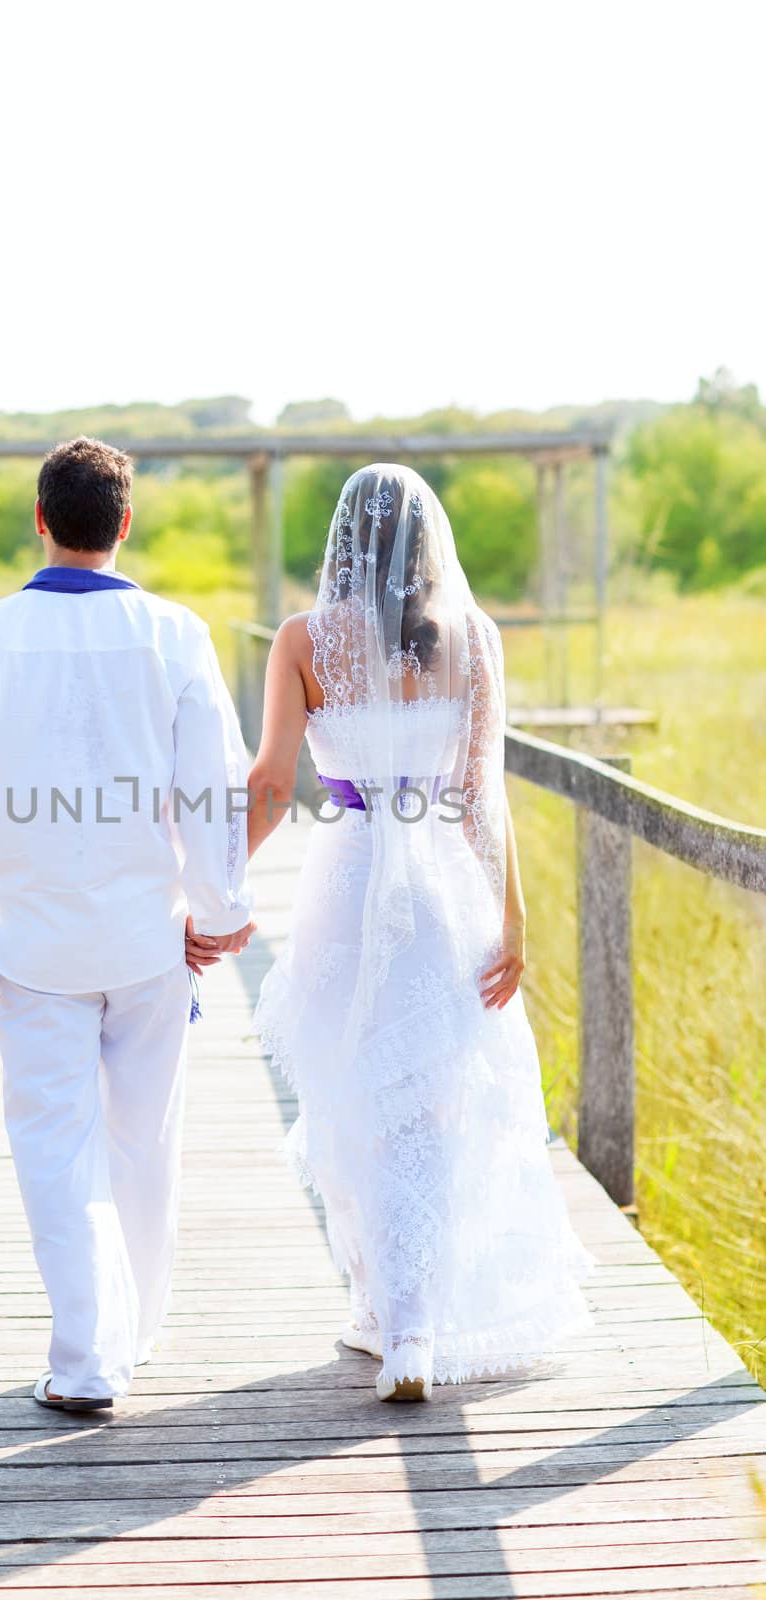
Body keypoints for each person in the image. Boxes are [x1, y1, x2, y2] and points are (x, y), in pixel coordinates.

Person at [221, 462, 596, 1402]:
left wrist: (215, 883)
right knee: (435, 1093)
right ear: (429, 543)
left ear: (343, 541)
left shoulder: (303, 640)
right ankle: (404, 1323)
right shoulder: (473, 639)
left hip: (346, 877)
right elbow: (481, 794)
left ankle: (395, 1319)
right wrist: (511, 913)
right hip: (440, 878)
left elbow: (270, 782)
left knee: (349, 1085)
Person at [0, 435, 255, 1413]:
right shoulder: (176, 633)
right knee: (143, 1142)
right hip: (150, 940)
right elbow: (210, 787)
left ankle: (86, 1357)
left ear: (39, 518)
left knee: (55, 1145)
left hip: (34, 941)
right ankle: (131, 1332)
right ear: (124, 521)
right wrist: (220, 908)